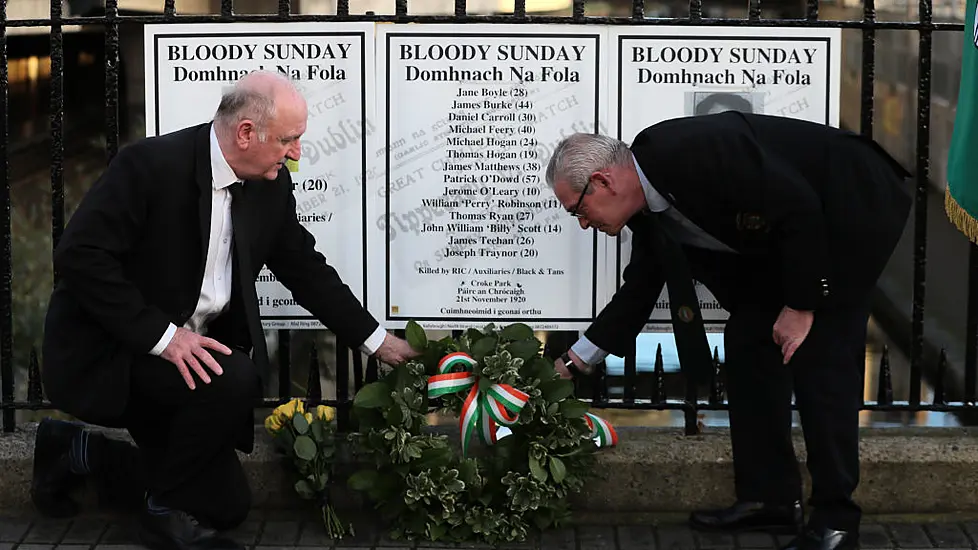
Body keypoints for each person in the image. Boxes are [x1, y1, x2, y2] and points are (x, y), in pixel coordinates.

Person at [31, 71, 418, 550]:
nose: (296, 152)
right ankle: (161, 514)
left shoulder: (269, 186)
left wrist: (379, 342)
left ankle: (77, 450)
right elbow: (80, 256)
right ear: (246, 133)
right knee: (236, 377)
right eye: (288, 139)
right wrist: (164, 337)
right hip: (117, 352)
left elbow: (304, 269)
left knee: (226, 507)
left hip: (184, 364)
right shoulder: (150, 165)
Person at [545, 111, 911, 550]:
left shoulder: (688, 152)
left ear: (603, 181)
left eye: (579, 209)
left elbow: (797, 203)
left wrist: (800, 305)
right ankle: (770, 499)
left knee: (821, 359)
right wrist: (573, 361)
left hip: (849, 206)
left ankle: (836, 521)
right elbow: (639, 290)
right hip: (795, 235)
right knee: (748, 344)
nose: (584, 223)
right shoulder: (646, 206)